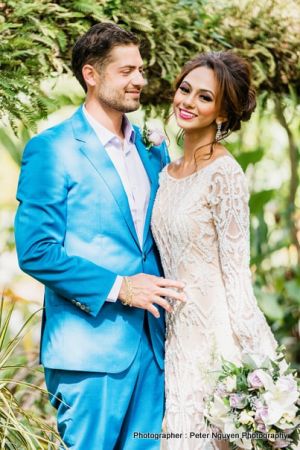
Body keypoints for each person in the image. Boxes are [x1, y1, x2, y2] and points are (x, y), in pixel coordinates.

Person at [14, 23, 185, 450]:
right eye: (127, 70)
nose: (140, 80)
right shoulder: (52, 149)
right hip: (90, 353)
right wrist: (120, 288)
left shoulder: (152, 147)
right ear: (91, 75)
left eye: (141, 69)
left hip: (154, 346)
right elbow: (37, 252)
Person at [151, 51, 278, 450]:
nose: (188, 102)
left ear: (222, 114)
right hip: (177, 339)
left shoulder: (225, 175)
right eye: (185, 90)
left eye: (205, 97)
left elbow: (238, 276)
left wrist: (261, 366)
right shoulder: (166, 173)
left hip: (216, 344)